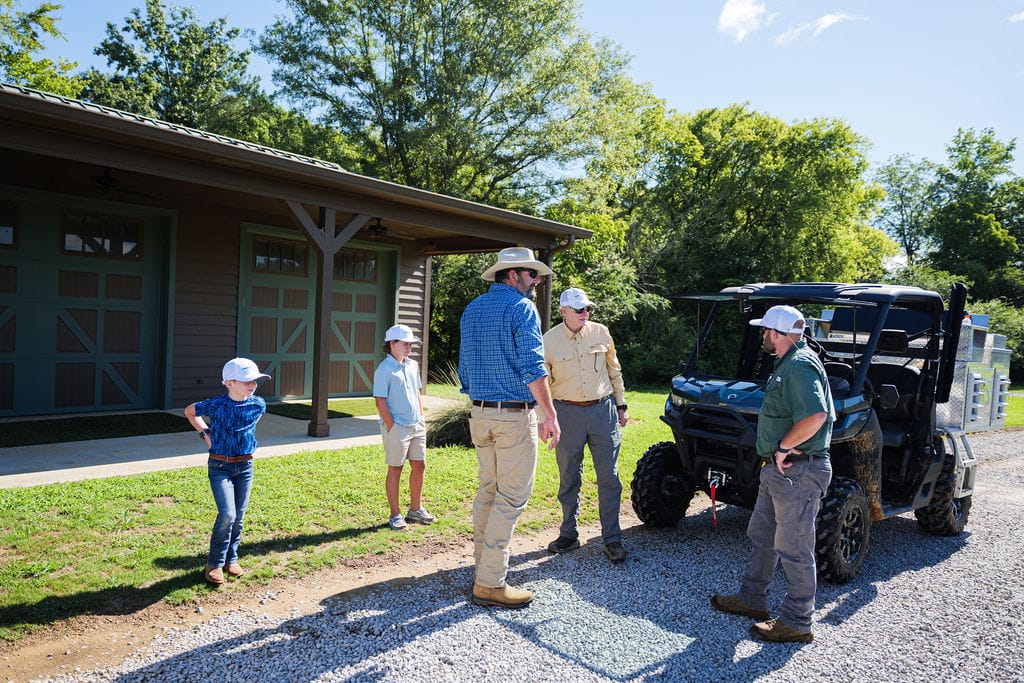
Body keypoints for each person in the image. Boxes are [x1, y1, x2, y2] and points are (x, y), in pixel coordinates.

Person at [711, 305, 834, 643]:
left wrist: (783, 447)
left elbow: (816, 416)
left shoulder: (800, 365)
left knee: (795, 548)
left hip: (797, 470)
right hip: (780, 471)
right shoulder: (787, 363)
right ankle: (752, 599)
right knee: (764, 536)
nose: (762, 335)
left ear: (777, 333)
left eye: (765, 330)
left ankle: (797, 622)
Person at [458, 246, 561, 609]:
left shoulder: (472, 309)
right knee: (511, 497)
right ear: (513, 275)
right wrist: (550, 415)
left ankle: (482, 571)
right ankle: (490, 583)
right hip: (512, 416)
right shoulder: (522, 308)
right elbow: (534, 367)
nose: (537, 281)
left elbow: (464, 369)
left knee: (488, 491)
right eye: (532, 274)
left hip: (479, 413)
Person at [543, 288, 629, 563]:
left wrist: (621, 405)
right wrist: (545, 418)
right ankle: (568, 534)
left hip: (603, 412)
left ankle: (612, 539)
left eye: (587, 308)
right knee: (569, 476)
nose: (585, 313)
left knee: (609, 477)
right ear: (564, 311)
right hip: (566, 413)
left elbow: (614, 370)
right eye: (579, 309)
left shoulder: (601, 332)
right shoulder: (548, 340)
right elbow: (543, 383)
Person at [185, 357, 270, 586]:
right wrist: (206, 435)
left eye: (255, 380)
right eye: (246, 380)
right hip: (220, 466)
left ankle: (231, 560)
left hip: (245, 466)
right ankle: (214, 564)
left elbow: (251, 423)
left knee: (239, 517)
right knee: (228, 514)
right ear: (229, 382)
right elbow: (190, 412)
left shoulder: (258, 404)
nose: (252, 384)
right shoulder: (216, 404)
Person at [373, 323, 435, 531]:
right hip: (397, 427)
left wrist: (421, 418)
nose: (409, 348)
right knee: (396, 468)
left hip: (416, 424)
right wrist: (392, 427)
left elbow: (416, 392)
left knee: (420, 465)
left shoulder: (412, 366)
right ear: (392, 343)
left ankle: (415, 510)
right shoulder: (384, 370)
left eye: (411, 344)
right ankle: (395, 514)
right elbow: (380, 401)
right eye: (405, 344)